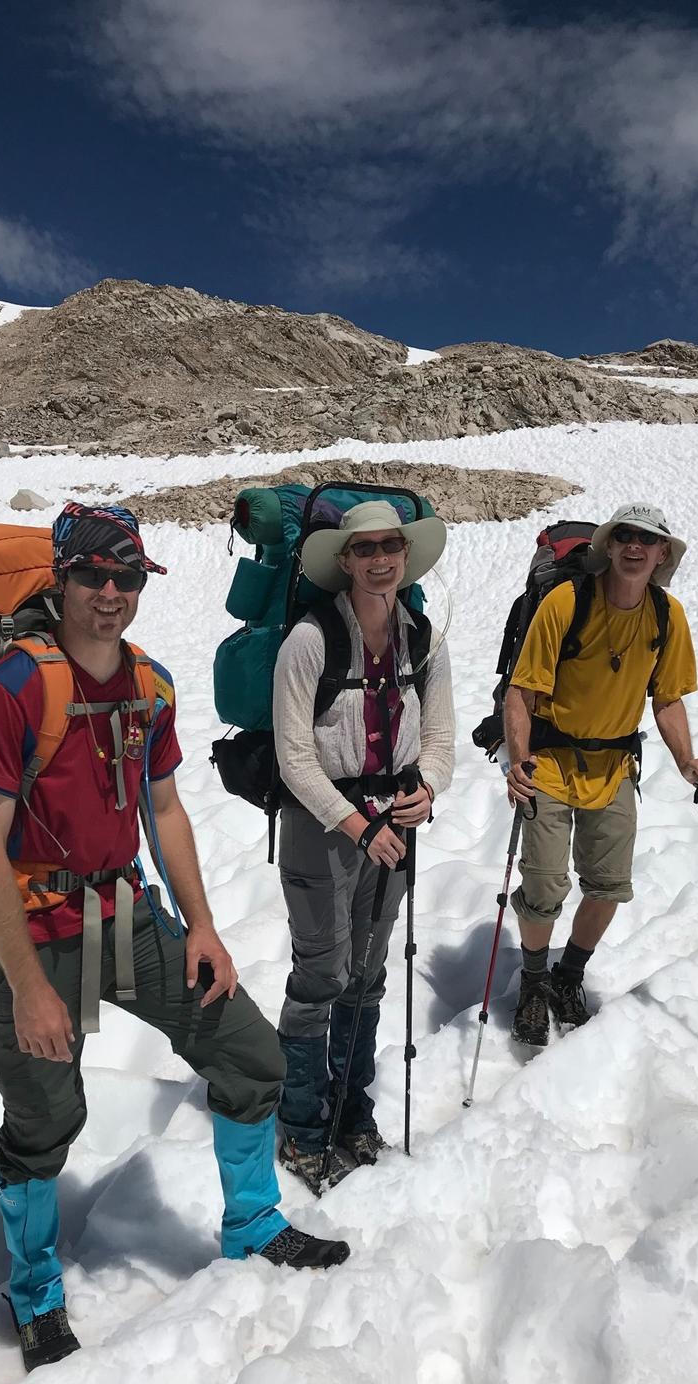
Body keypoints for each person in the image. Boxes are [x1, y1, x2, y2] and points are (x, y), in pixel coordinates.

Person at [0, 502, 349, 1374]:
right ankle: (35, 1291)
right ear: (61, 579)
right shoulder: (10, 689)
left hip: (125, 915)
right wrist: (27, 986)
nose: (110, 592)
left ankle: (253, 1224)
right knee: (45, 1118)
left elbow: (163, 809)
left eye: (126, 576)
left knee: (249, 1055)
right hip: (34, 930)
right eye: (93, 575)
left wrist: (201, 924)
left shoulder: (149, 686)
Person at [272, 501, 455, 1192]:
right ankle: (302, 1123)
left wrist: (426, 788)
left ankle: (352, 1111)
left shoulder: (424, 639)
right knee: (322, 973)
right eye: (365, 548)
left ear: (406, 555)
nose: (380, 559)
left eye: (390, 546)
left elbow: (439, 738)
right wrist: (360, 826)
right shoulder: (310, 640)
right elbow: (295, 757)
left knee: (368, 971)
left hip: (393, 828)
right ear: (344, 560)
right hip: (322, 829)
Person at [502, 501, 698, 1045]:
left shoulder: (667, 616)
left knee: (609, 885)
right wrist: (519, 760)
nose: (634, 547)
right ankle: (533, 982)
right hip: (549, 762)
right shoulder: (566, 603)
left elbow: (667, 698)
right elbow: (521, 692)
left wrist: (687, 762)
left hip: (616, 765)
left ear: (662, 553)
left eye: (647, 540)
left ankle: (568, 974)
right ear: (609, 545)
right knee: (544, 883)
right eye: (624, 536)